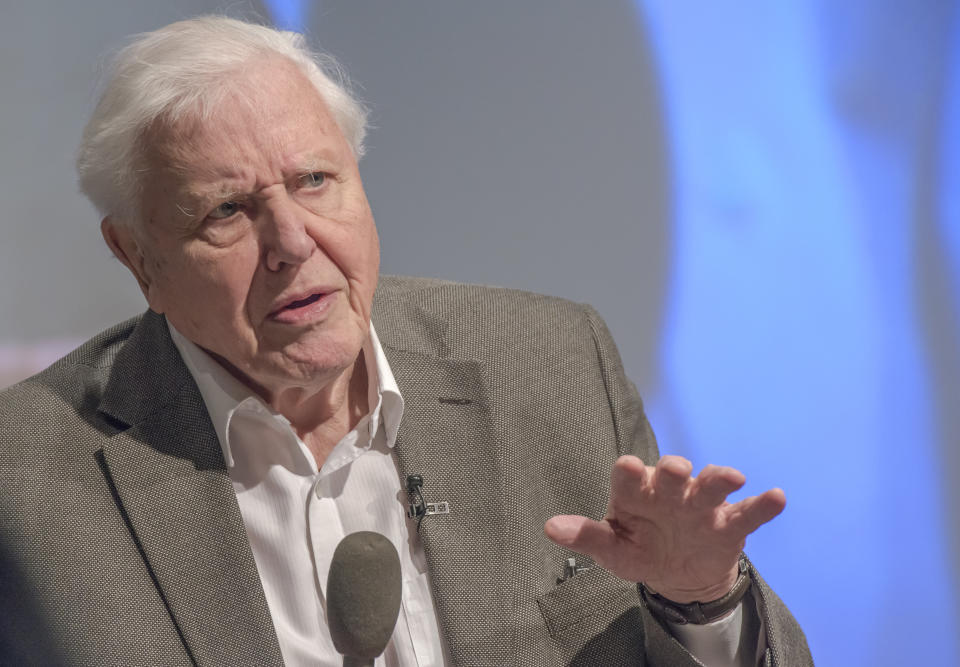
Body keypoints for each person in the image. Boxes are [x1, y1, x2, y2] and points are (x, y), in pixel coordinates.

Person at [0, 16, 811, 667]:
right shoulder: (26, 482)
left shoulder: (554, 363)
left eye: (315, 180)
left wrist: (699, 602)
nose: (292, 240)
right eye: (226, 212)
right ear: (137, 255)